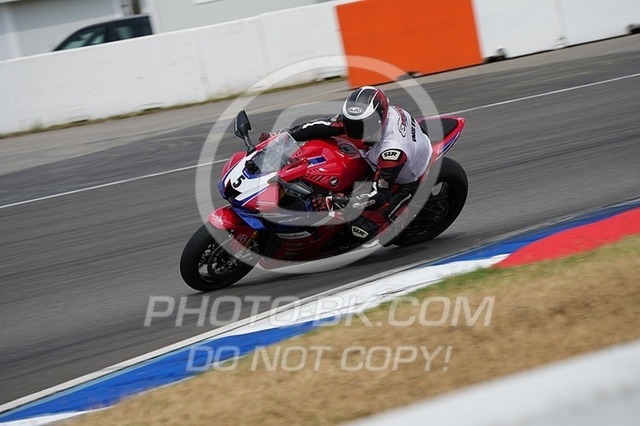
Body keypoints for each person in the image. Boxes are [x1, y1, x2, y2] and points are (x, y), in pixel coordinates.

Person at [274, 86, 433, 246]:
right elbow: (322, 125)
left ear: (380, 119)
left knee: (362, 230)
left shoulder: (392, 152)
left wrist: (332, 202)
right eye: (352, 125)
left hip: (405, 179)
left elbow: (379, 196)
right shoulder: (366, 118)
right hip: (379, 154)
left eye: (363, 127)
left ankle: (402, 216)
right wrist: (283, 136)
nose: (355, 132)